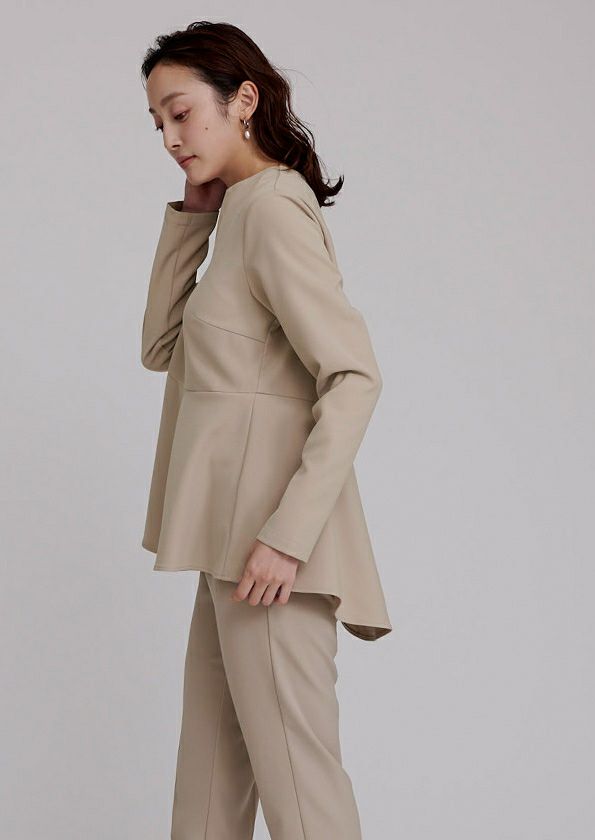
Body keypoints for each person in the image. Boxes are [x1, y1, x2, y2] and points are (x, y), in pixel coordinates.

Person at [139, 21, 392, 840]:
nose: (171, 137)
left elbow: (354, 376)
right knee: (207, 796)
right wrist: (192, 219)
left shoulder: (276, 209)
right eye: (158, 123)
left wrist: (287, 538)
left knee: (304, 799)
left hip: (271, 559)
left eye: (182, 112)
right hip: (229, 552)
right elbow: (161, 348)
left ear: (243, 100)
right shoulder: (236, 214)